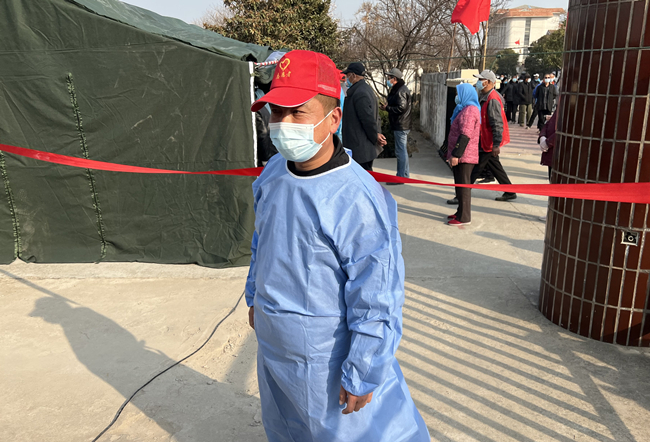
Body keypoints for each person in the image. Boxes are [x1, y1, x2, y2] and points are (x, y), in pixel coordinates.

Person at [247, 50, 430, 442]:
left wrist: (363, 370)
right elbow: (262, 241)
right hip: (275, 346)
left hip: (324, 357)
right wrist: (254, 298)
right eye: (277, 112)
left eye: (298, 113)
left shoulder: (357, 198)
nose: (283, 124)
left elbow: (378, 294)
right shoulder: (275, 172)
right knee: (285, 427)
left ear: (333, 119)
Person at [470, 70, 517, 202]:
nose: (479, 82)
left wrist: (496, 144)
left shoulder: (493, 99)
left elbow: (497, 123)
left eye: (481, 80)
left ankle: (462, 193)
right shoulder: (485, 96)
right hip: (486, 140)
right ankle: (510, 191)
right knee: (495, 167)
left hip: (489, 141)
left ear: (489, 82)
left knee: (476, 168)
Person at [446, 83, 481, 226]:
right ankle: (460, 211)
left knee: (464, 186)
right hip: (462, 155)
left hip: (465, 156)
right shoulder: (464, 109)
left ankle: (464, 217)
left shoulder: (470, 110)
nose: (456, 96)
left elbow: (465, 135)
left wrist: (456, 155)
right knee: (459, 185)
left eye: (458, 93)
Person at [341, 62, 386, 170]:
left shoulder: (360, 93)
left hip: (360, 148)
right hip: (362, 147)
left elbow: (367, 120)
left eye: (348, 75)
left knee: (363, 176)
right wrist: (376, 134)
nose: (346, 79)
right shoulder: (365, 89)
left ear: (354, 75)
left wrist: (375, 136)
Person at [380, 67, 412, 178]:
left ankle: (401, 176)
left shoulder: (400, 90)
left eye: (389, 77)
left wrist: (388, 108)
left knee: (400, 151)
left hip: (401, 124)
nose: (388, 80)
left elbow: (401, 108)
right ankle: (404, 175)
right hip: (401, 124)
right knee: (402, 151)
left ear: (394, 79)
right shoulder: (399, 89)